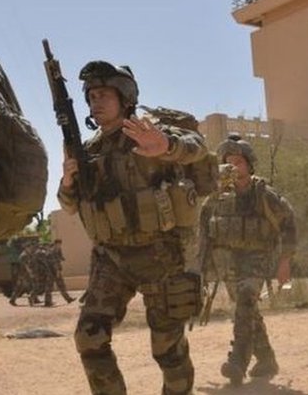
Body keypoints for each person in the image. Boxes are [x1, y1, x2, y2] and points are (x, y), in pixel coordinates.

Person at [58, 60, 208, 395]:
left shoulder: (149, 131)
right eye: (91, 95)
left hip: (161, 256)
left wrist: (166, 147)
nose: (95, 101)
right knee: (89, 337)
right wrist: (68, 180)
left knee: (167, 350)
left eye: (103, 94)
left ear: (125, 97)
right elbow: (69, 205)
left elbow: (198, 148)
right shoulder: (90, 150)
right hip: (112, 259)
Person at [199, 135, 297, 385]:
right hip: (229, 262)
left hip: (258, 258)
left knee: (245, 299)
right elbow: (204, 230)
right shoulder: (217, 196)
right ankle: (266, 359)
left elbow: (288, 222)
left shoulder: (264, 194)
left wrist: (285, 261)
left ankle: (238, 361)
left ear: (249, 165)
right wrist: (202, 267)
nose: (233, 167)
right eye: (228, 162)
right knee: (247, 310)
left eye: (238, 161)